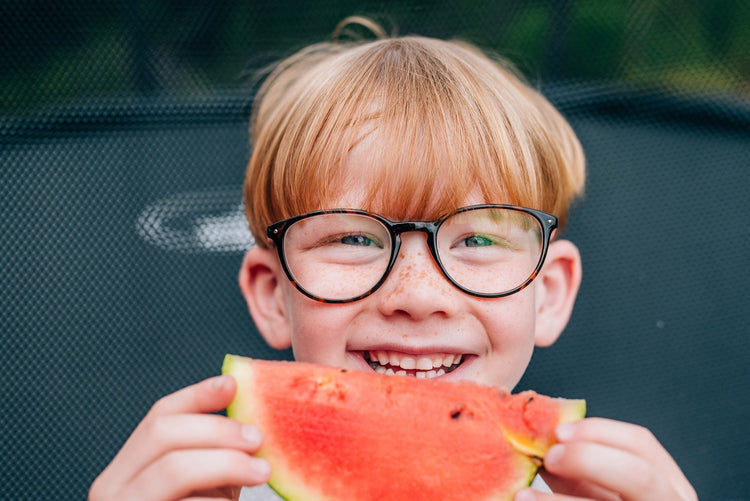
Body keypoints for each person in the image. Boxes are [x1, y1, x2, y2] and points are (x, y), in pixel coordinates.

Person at [89, 17, 697, 501]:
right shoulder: (206, 492)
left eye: (478, 241)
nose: (417, 294)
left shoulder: (596, 494)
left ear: (552, 291)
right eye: (354, 240)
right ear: (273, 294)